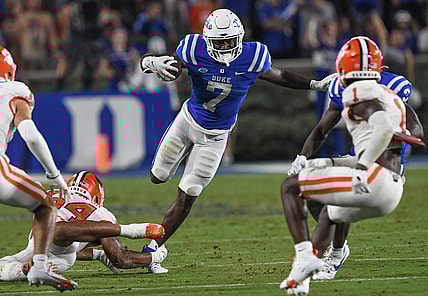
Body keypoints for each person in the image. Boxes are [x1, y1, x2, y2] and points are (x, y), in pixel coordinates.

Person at [139, 8, 335, 273]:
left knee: (189, 194)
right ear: (207, 40)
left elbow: (280, 76)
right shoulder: (193, 47)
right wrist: (152, 62)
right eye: (219, 43)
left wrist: (314, 84)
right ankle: (155, 232)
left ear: (240, 38)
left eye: (230, 41)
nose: (225, 48)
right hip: (186, 121)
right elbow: (171, 66)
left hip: (216, 137)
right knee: (157, 176)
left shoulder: (252, 56)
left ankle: (154, 248)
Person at [279, 36, 425, 295]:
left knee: (292, 188)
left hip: (373, 172)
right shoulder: (385, 91)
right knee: (328, 210)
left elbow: (394, 128)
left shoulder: (357, 91)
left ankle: (306, 258)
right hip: (380, 179)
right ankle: (305, 276)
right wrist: (305, 157)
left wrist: (364, 163)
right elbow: (323, 130)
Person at [0, 46, 76, 291]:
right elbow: (30, 135)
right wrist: (55, 176)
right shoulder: (14, 90)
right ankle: (40, 266)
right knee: (45, 206)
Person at [0, 170, 168, 281]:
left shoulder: (51, 191)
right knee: (62, 250)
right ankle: (131, 230)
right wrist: (154, 257)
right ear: (96, 196)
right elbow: (120, 259)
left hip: (43, 238)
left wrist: (98, 255)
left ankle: (24, 270)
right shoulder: (101, 213)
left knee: (54, 235)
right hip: (61, 250)